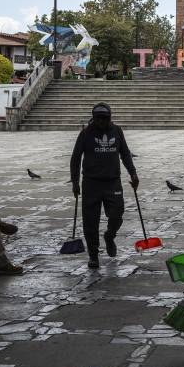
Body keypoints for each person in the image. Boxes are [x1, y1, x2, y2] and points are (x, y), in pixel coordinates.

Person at [70, 102, 139, 269]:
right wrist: (75, 182)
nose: (101, 122)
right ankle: (93, 255)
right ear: (93, 118)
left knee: (117, 215)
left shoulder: (117, 131)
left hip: (112, 181)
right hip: (91, 183)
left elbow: (125, 154)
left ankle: (109, 236)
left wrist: (133, 173)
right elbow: (76, 158)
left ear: (110, 118)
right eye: (98, 119)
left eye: (105, 119)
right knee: (90, 222)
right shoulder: (85, 133)